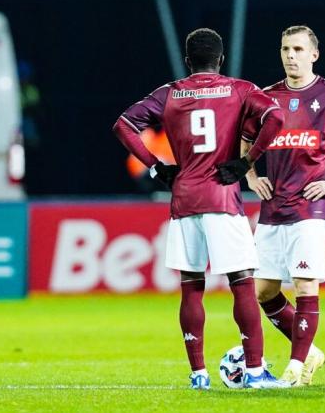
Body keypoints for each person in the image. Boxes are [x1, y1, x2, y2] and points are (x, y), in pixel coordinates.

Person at [112, 28, 287, 390]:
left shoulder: (171, 92)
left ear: (189, 61)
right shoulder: (239, 89)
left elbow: (124, 126)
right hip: (222, 197)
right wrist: (247, 161)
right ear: (220, 60)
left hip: (183, 198)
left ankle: (198, 374)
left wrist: (157, 166)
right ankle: (254, 372)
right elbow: (276, 118)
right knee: (241, 284)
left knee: (191, 287)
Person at [241, 25, 325, 387]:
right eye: (286, 48)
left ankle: (296, 365)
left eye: (299, 49)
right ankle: (310, 351)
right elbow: (243, 140)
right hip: (272, 209)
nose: (291, 55)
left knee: (305, 285)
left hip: (309, 208)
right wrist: (252, 177)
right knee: (264, 292)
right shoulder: (266, 97)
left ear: (314, 54)